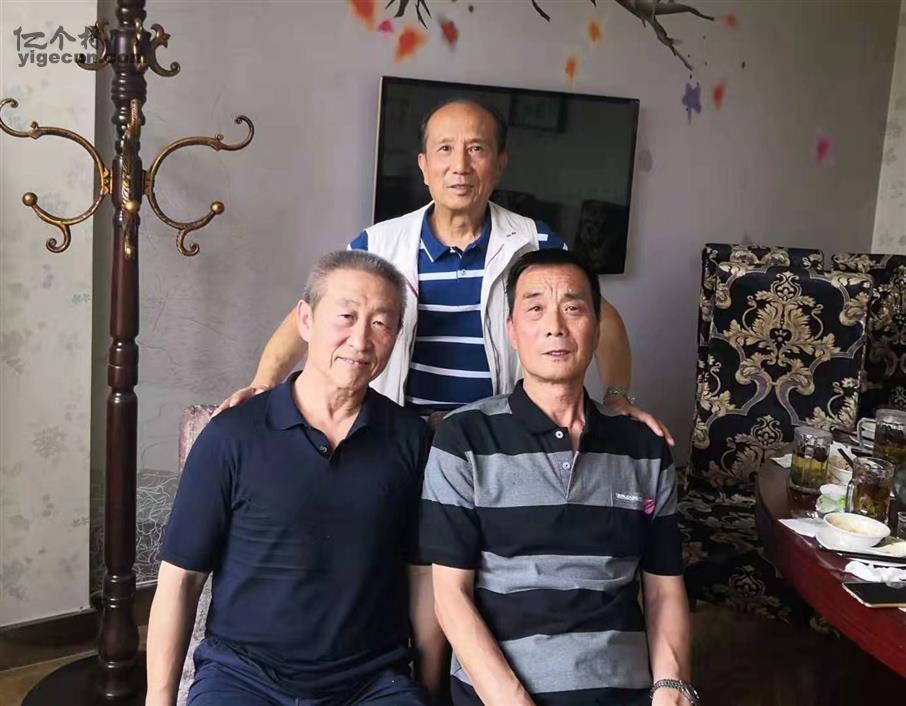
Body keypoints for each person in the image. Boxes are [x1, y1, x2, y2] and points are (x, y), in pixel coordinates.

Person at [216, 99, 673, 444]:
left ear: (500, 164)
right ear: (424, 166)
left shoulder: (534, 242)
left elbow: (602, 318)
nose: (460, 166)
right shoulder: (379, 244)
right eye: (445, 149)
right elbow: (311, 316)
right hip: (399, 432)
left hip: (499, 436)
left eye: (476, 149)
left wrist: (617, 396)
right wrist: (264, 382)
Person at [146, 251, 445, 706]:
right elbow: (181, 580)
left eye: (381, 324)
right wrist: (159, 701)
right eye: (346, 317)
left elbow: (422, 576)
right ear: (306, 320)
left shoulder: (411, 439)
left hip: (370, 684)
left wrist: (430, 692)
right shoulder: (232, 435)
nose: (360, 340)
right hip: (243, 678)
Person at [419, 249, 696, 706]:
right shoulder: (464, 438)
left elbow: (664, 589)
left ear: (596, 328)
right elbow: (450, 596)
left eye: (573, 308)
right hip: (500, 695)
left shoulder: (644, 447)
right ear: (512, 331)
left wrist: (672, 687)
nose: (555, 326)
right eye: (535, 309)